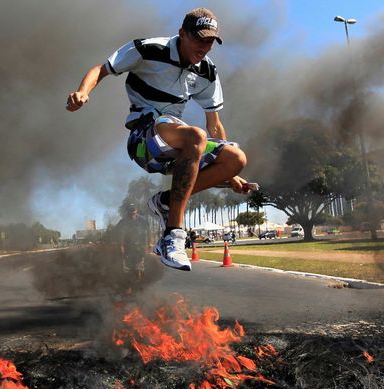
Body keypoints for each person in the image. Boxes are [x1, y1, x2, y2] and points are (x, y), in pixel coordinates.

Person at [67, 7, 250, 271]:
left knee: (236, 157)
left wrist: (231, 175)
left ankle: (165, 201)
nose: (204, 47)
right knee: (193, 134)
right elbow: (102, 69)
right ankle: (173, 236)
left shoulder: (207, 72)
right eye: (199, 39)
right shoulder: (149, 48)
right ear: (182, 34)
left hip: (178, 144)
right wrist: (83, 92)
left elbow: (215, 124)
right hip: (144, 137)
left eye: (210, 41)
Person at [117, 204, 148, 284]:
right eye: (131, 212)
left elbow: (147, 232)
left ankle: (141, 283)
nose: (133, 214)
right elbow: (120, 234)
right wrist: (121, 246)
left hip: (140, 246)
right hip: (129, 247)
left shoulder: (142, 220)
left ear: (136, 211)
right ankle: (130, 285)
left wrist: (149, 244)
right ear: (128, 212)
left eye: (134, 212)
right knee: (129, 267)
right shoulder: (123, 222)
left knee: (140, 266)